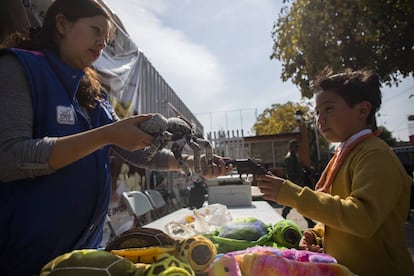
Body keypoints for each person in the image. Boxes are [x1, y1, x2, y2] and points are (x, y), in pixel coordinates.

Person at [0, 1, 231, 275]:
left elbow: (132, 150)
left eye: (106, 38)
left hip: (85, 254)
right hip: (26, 257)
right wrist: (107, 134)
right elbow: (10, 159)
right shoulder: (19, 68)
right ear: (61, 24)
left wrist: (192, 164)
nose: (101, 44)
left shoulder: (93, 94)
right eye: (96, 30)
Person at [256, 68, 414, 275]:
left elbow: (362, 219)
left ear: (362, 110)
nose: (320, 119)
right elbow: (339, 215)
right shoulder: (345, 154)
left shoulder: (375, 154)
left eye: (329, 109)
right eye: (317, 112)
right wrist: (318, 234)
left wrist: (291, 194)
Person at [281, 140, 316, 228]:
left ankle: (309, 222)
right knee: (297, 204)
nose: (297, 149)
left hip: (298, 184)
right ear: (291, 148)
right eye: (295, 147)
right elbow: (291, 174)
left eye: (298, 147)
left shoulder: (294, 157)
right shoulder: (289, 158)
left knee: (297, 204)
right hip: (294, 184)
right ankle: (281, 219)